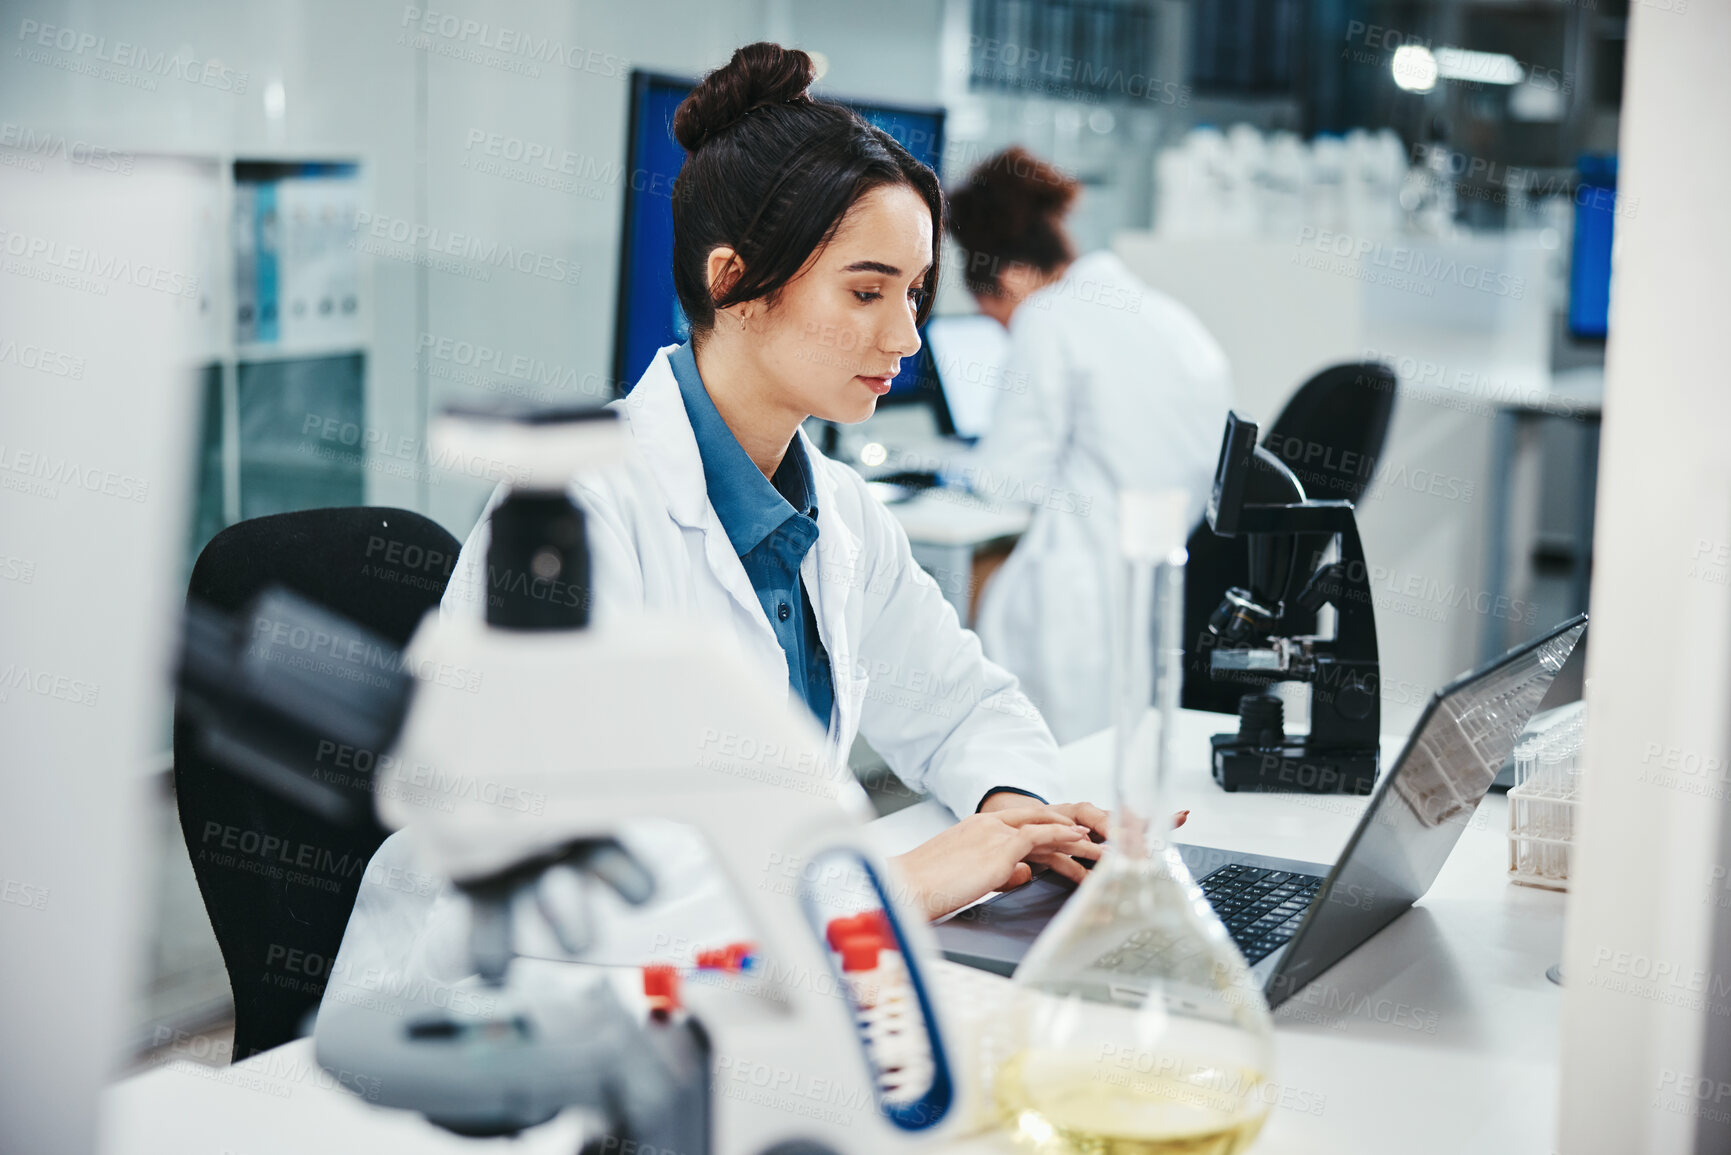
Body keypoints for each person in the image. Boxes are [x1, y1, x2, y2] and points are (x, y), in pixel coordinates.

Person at [947, 147, 1234, 744]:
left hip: (1075, 602)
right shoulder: (1167, 316)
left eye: (995, 315)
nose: (1005, 329)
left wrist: (954, 469)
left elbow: (1005, 483)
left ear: (1010, 278)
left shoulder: (1049, 318)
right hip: (1159, 591)